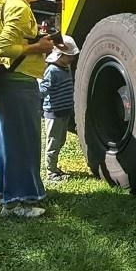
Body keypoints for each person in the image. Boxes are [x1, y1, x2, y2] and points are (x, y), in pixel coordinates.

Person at [0, 0, 54, 218]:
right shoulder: (19, 7)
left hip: (9, 81)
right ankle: (18, 201)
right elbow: (3, 47)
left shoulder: (8, 1)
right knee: (22, 142)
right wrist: (36, 48)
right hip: (20, 80)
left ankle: (3, 192)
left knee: (7, 140)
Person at [39, 35, 79, 183]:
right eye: (69, 56)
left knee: (60, 140)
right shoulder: (52, 71)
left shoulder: (65, 68)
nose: (72, 59)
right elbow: (42, 90)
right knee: (53, 142)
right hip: (54, 113)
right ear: (59, 55)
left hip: (64, 112)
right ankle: (51, 172)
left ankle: (54, 168)